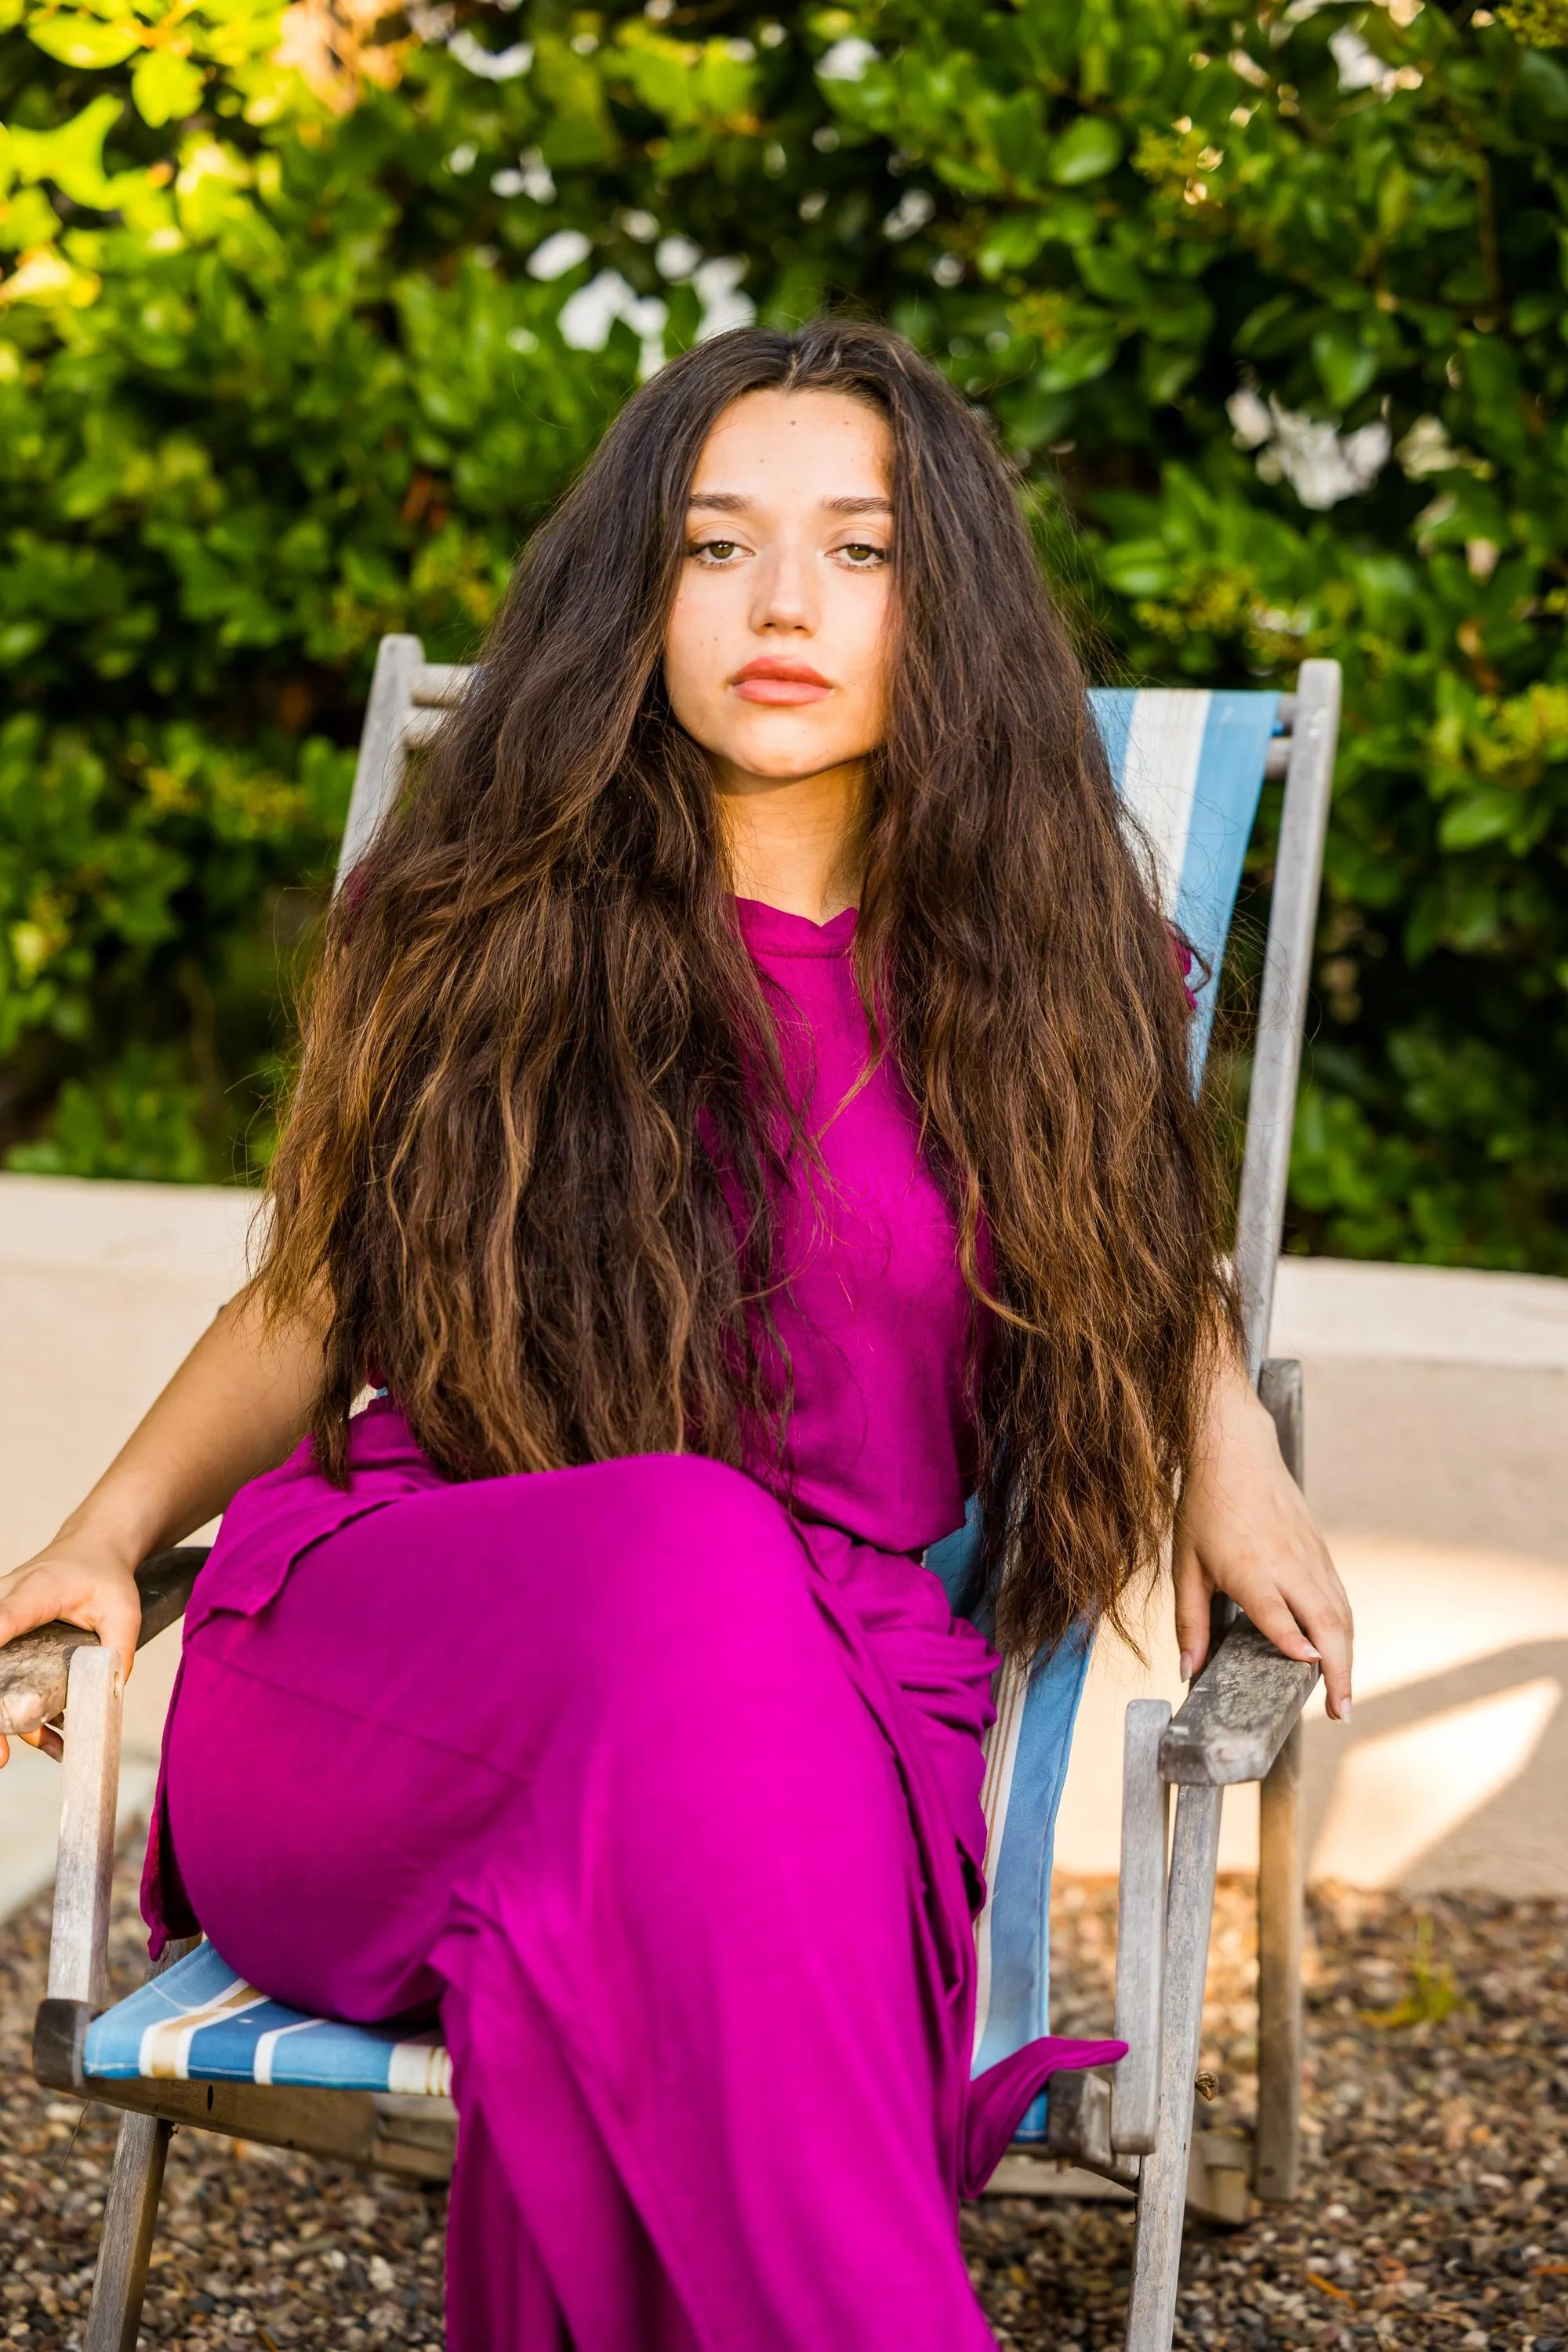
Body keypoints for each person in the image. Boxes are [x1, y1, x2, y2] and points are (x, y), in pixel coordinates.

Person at [0, 319, 1352, 2350]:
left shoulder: (1055, 968)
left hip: (817, 1738)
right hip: (394, 1678)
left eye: (859, 551)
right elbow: (312, 1293)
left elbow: (1138, 1255)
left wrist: (1227, 1445)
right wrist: (101, 1538)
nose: (783, 604)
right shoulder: (477, 915)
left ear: (945, 601)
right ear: (640, 592)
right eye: (718, 547)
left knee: (630, 1906)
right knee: (686, 1541)